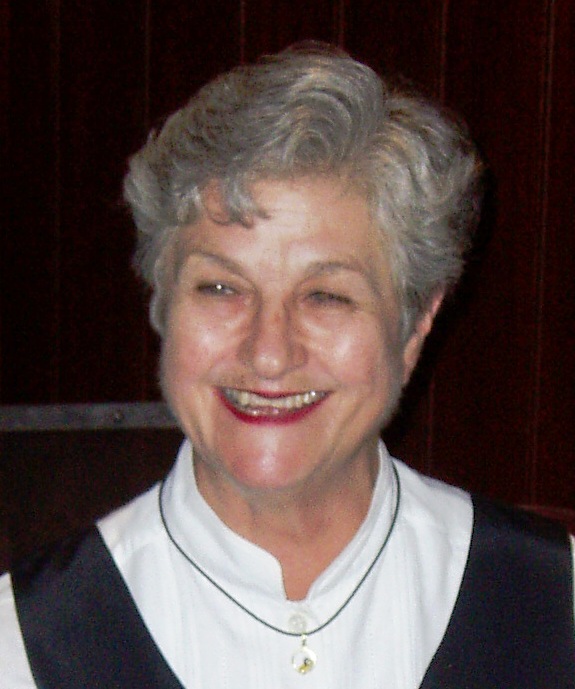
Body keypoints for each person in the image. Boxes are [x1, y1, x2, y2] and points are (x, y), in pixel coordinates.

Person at [1, 43, 573, 689]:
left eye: (326, 295)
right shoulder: (19, 645)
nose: (268, 352)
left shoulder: (559, 605)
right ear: (162, 304)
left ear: (414, 323)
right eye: (221, 288)